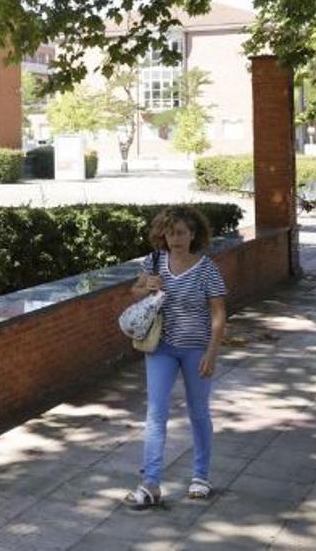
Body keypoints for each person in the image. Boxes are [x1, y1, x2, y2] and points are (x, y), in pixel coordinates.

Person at [124, 206, 227, 510]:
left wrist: (212, 353)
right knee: (156, 413)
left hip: (197, 349)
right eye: (170, 233)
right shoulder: (155, 260)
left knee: (198, 413)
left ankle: (201, 476)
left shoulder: (207, 268)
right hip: (161, 348)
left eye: (181, 232)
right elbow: (134, 292)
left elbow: (219, 314)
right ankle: (151, 483)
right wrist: (146, 287)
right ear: (163, 234)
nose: (175, 238)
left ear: (193, 234)